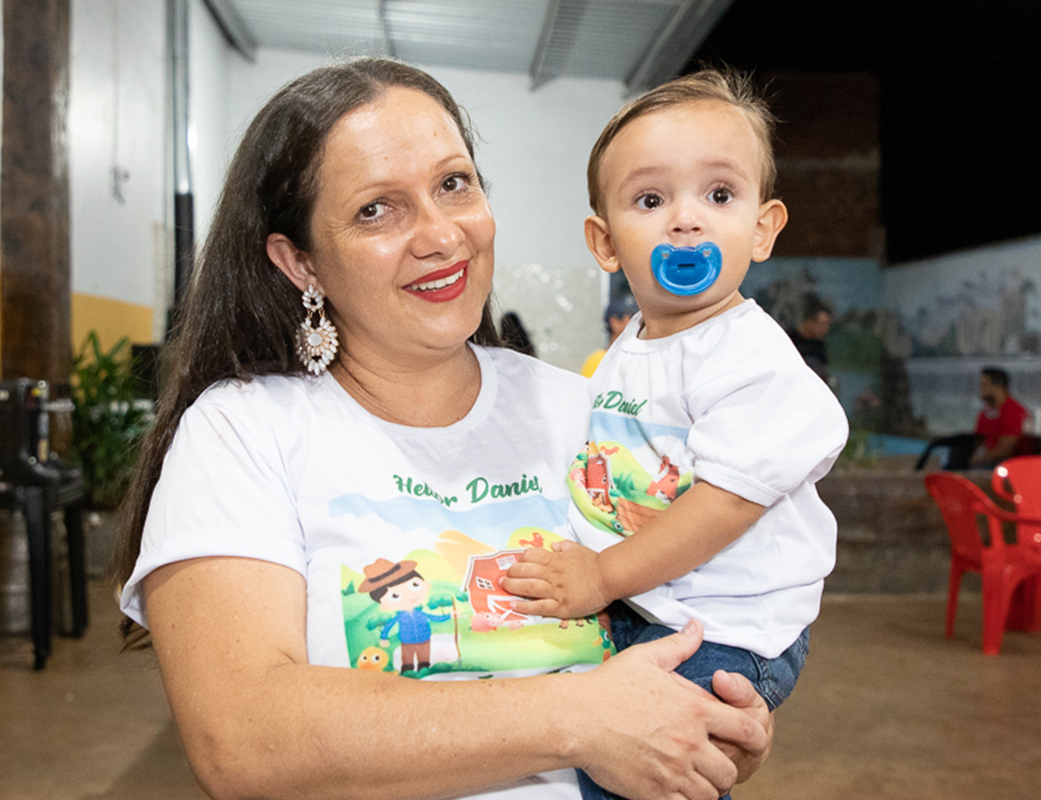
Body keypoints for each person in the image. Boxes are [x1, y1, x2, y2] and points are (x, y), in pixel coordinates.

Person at [113, 58, 773, 800]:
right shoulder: (243, 432)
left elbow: (699, 619)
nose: (439, 234)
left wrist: (710, 727)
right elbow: (243, 740)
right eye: (376, 209)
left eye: (454, 184)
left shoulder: (590, 411)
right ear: (300, 262)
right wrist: (580, 718)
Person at [500, 69, 848, 800]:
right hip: (650, 606)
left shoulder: (750, 359)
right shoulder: (633, 344)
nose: (686, 220)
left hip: (729, 631)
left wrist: (599, 577)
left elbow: (720, 508)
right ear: (605, 242)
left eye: (719, 195)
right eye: (651, 200)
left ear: (762, 228)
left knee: (634, 769)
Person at [972, 366, 1032, 467]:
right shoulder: (986, 413)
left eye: (984, 385)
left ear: (997, 387)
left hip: (1008, 466)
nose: (981, 390)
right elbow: (979, 441)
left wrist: (979, 460)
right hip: (987, 462)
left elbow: (1005, 449)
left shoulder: (1014, 411)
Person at [580, 293, 639, 377]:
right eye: (633, 317)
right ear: (615, 322)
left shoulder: (637, 359)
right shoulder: (598, 361)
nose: (640, 323)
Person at [785, 293, 832, 384]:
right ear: (809, 322)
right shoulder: (789, 340)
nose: (826, 329)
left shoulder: (819, 346)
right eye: (822, 324)